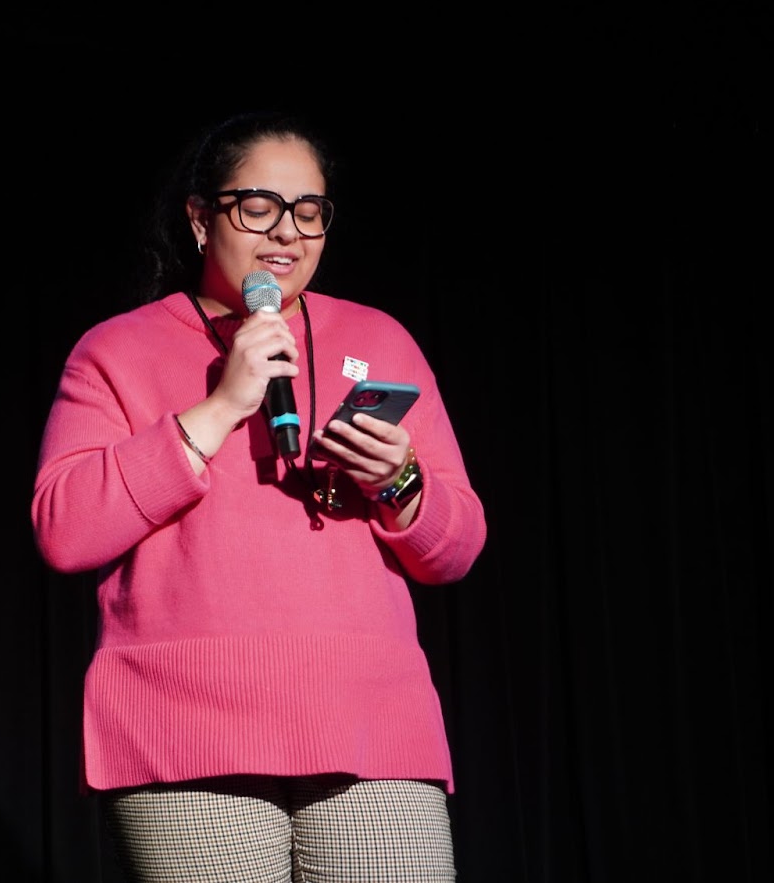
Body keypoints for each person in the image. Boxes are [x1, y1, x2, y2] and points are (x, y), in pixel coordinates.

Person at [30, 109, 487, 882]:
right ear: (200, 219)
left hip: (373, 725)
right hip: (186, 734)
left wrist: (397, 480)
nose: (287, 232)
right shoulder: (117, 350)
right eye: (258, 206)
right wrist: (216, 410)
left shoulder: (379, 339)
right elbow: (64, 529)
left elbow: (458, 547)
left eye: (309, 211)